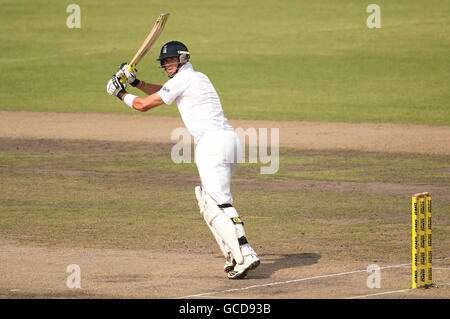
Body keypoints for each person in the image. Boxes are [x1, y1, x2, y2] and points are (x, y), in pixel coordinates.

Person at [106, 41, 260, 279]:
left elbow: (143, 105)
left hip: (211, 145)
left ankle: (246, 252)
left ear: (183, 59)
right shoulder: (195, 78)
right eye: (165, 62)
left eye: (171, 60)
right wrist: (136, 83)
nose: (167, 65)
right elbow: (163, 91)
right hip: (231, 142)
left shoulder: (184, 79)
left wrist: (120, 93)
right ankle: (233, 252)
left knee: (219, 203)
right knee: (209, 200)